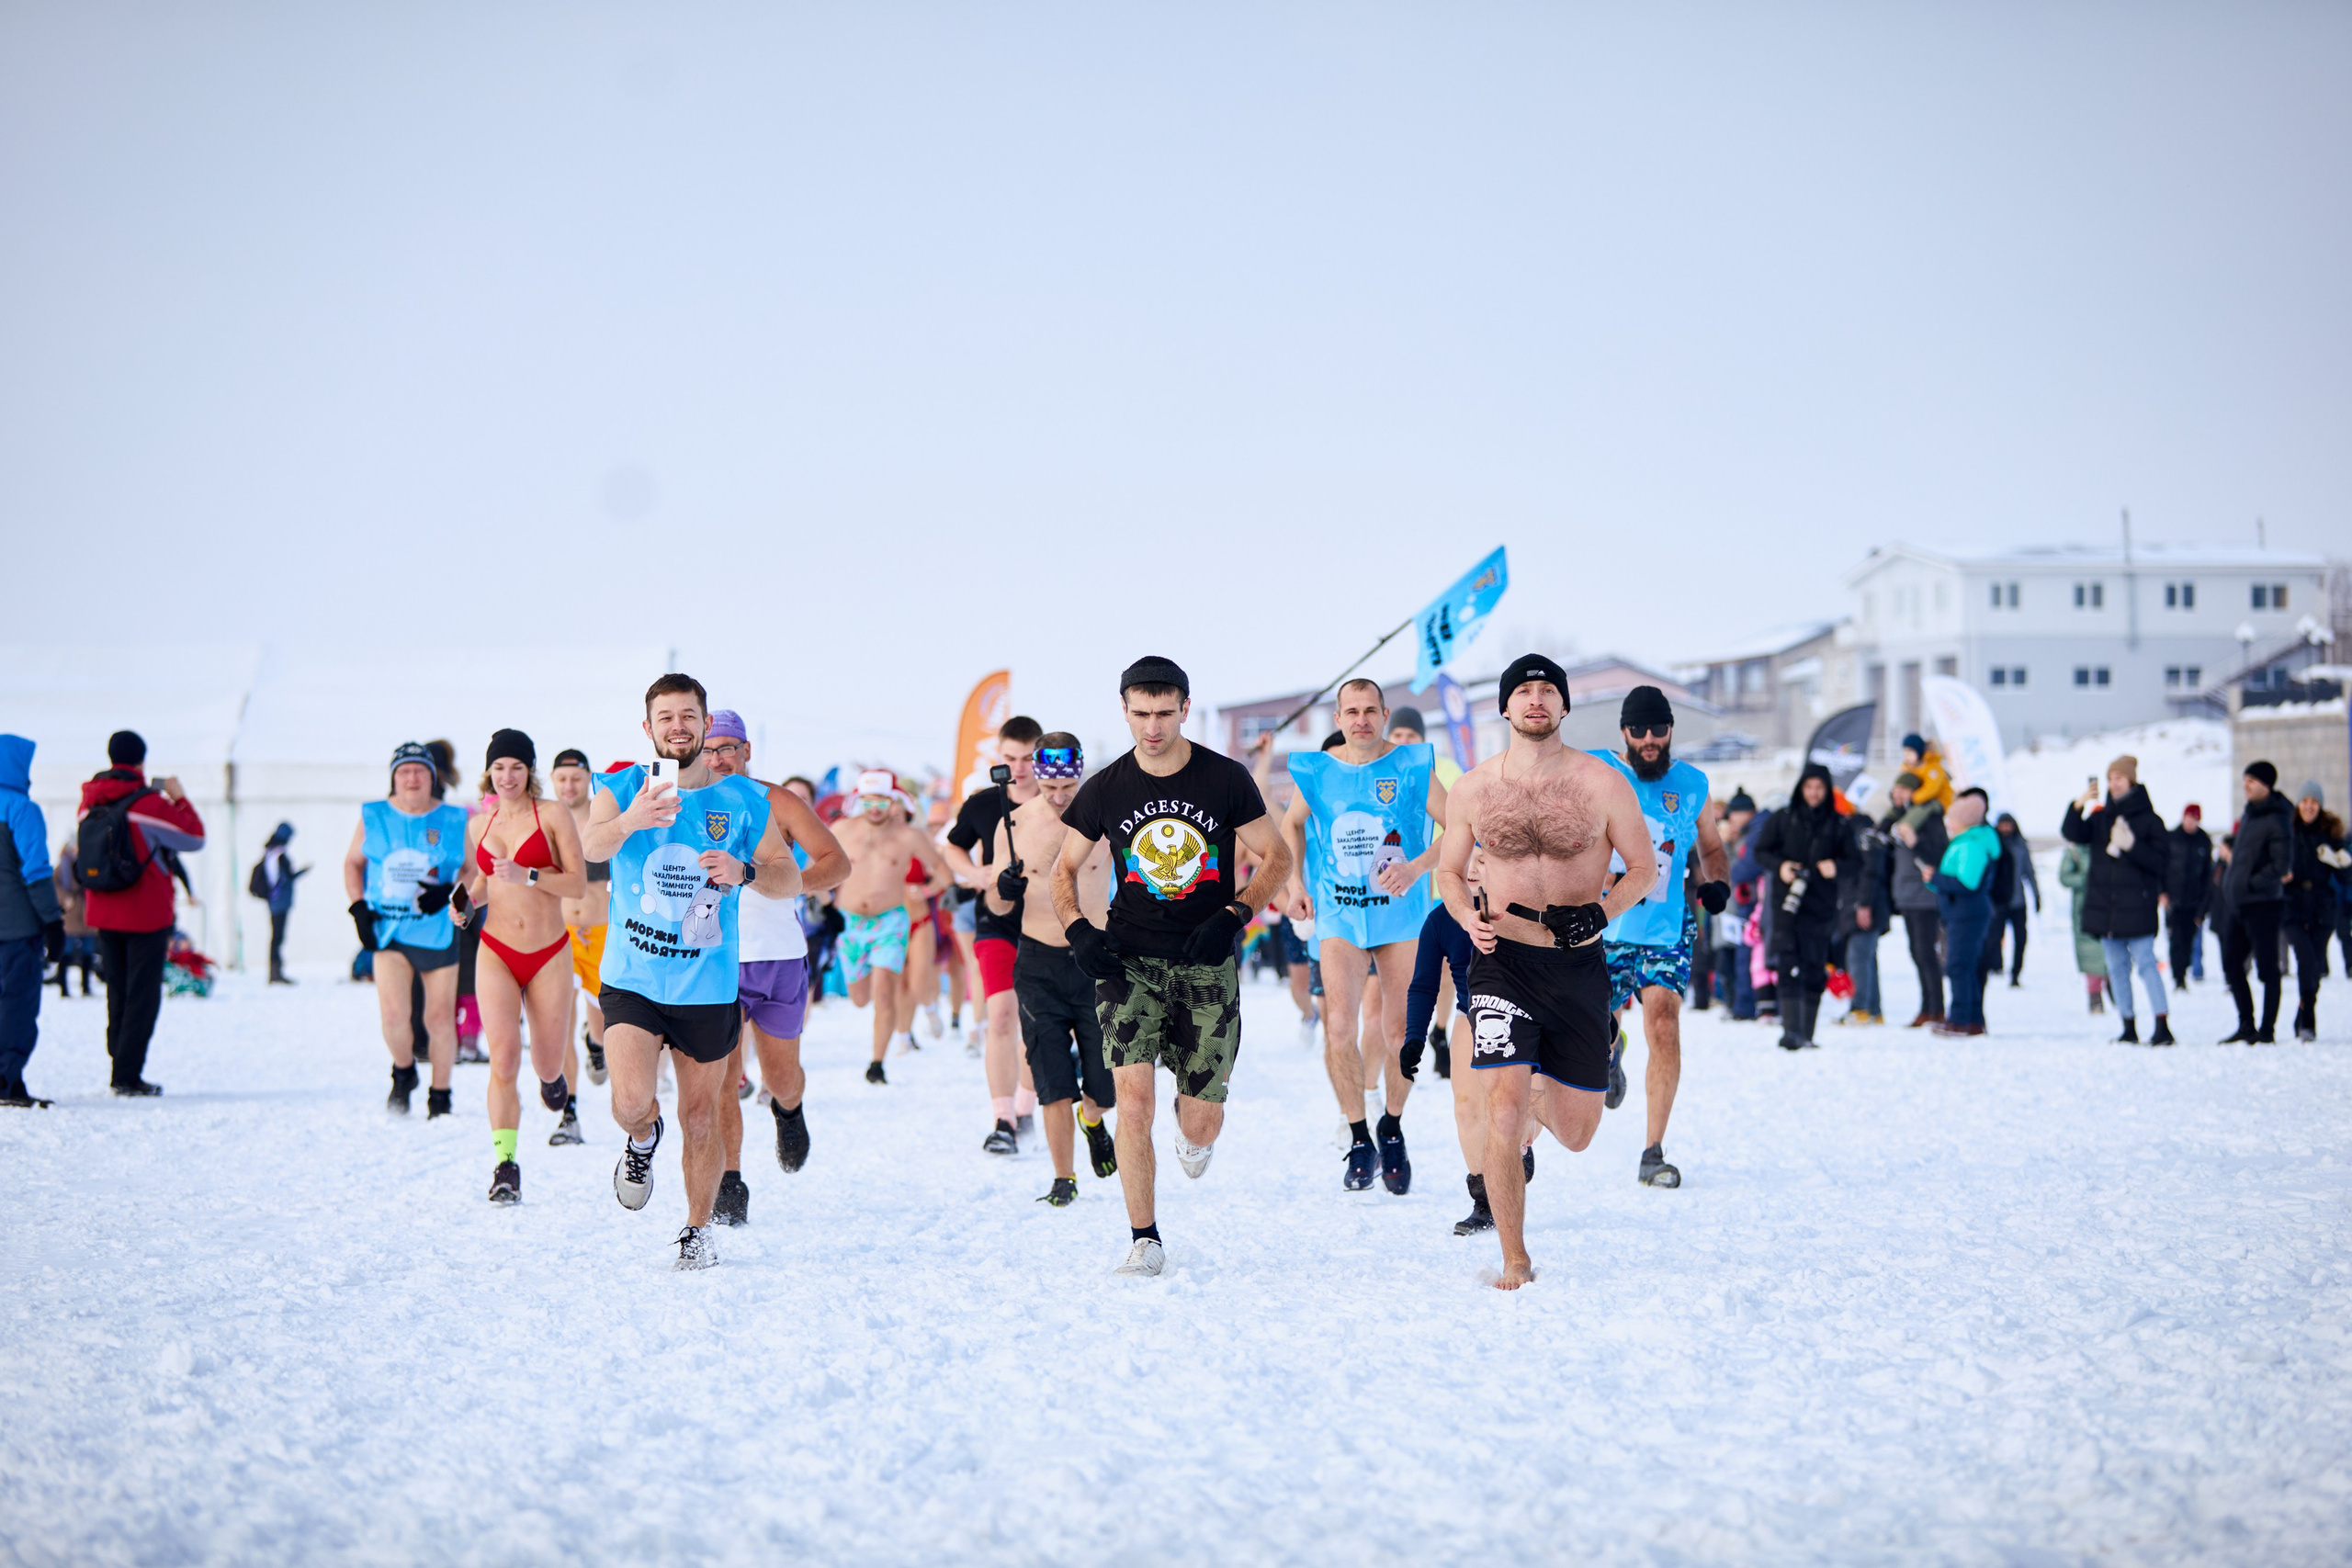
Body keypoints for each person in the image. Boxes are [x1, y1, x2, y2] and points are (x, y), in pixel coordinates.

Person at [1048, 656, 1290, 1279]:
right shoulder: (1107, 787)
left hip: (1206, 959)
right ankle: (1144, 1236)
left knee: (1201, 1116)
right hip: (1129, 960)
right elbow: (1062, 870)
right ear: (1124, 711)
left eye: (1163, 712)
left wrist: (1235, 915)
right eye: (1140, 713)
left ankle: (1196, 1131)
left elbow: (1277, 857)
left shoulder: (1226, 778)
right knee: (1133, 1098)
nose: (1152, 726)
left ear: (1184, 707)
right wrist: (1079, 930)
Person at [1432, 654, 1656, 1290]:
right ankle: (1515, 1257)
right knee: (1502, 1109)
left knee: (1580, 1132)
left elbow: (1642, 868)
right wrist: (1464, 913)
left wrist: (1602, 911)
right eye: (1523, 691)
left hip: (1576, 963)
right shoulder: (1474, 788)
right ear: (1505, 707)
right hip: (1502, 957)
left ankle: (1578, 1066)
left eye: (1547, 691)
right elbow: (1449, 871)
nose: (1535, 699)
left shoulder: (1601, 781)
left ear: (1563, 707)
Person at [581, 673, 796, 1269]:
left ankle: (696, 1228)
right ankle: (641, 1140)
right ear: (647, 728)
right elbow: (591, 846)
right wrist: (631, 821)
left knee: (700, 1116)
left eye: (688, 715)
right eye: (665, 716)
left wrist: (746, 870)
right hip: (634, 978)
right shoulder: (621, 784)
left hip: (707, 986)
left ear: (706, 724)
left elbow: (789, 875)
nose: (678, 725)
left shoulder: (745, 801)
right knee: (630, 1101)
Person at [1280, 678, 1448, 1195]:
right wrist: (1295, 887)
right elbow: (1288, 829)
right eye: (1351, 711)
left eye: (1370, 710)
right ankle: (1358, 1137)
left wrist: (1419, 866)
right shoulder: (1318, 772)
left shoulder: (1413, 766)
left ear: (1384, 712)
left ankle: (1392, 1126)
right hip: (1340, 919)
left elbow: (1462, 826)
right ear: (1337, 717)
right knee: (1338, 1029)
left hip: (1400, 919)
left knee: (1401, 1035)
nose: (1361, 720)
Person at [702, 714, 850, 1219]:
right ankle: (730, 1180)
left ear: (746, 751)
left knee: (780, 1076)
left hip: (779, 957)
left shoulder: (777, 802)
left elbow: (837, 862)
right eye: (707, 748)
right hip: (715, 960)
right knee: (723, 1076)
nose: (716, 758)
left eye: (726, 748)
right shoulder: (683, 803)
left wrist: (787, 882)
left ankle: (789, 1110)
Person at [1592, 685, 1726, 1187]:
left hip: (1667, 930)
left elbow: (1712, 847)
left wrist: (1718, 884)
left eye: (1659, 730)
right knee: (1593, 1024)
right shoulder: (1601, 773)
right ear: (1623, 732)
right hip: (1607, 927)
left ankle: (1653, 1151)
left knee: (1665, 1024)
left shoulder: (1692, 783)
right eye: (1639, 730)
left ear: (1671, 730)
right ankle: (1608, 1050)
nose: (1650, 740)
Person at [453, 730, 589, 1202]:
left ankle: (554, 1079)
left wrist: (529, 873)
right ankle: (505, 1165)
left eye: (515, 767)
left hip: (549, 951)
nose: (506, 776)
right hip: (497, 951)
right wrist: (466, 905)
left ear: (529, 771)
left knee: (545, 1062)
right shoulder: (480, 826)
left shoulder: (550, 814)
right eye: (498, 768)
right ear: (488, 773)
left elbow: (575, 884)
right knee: (503, 1058)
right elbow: (486, 883)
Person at [989, 733, 1120, 1205]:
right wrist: (1002, 886)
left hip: (1097, 962)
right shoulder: (1017, 824)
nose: (1061, 796)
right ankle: (1064, 1177)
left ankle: (1093, 1119)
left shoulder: (1107, 818)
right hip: (1039, 961)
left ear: (1081, 774)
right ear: (1036, 780)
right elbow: (995, 901)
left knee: (1105, 1085)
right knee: (1051, 1079)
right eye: (1051, 788)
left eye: (1069, 785)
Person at [76, 730, 208, 1097]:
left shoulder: (88, 802)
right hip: (146, 914)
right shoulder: (147, 804)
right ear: (140, 762)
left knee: (116, 990)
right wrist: (179, 799)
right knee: (143, 994)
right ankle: (127, 1074)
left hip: (103, 910)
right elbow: (194, 837)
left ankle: (119, 1060)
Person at [345, 741, 471, 1115]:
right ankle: (403, 1072)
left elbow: (472, 871)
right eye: (404, 771)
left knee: (438, 1016)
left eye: (420, 771)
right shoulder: (374, 815)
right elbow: (352, 863)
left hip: (436, 931)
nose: (412, 778)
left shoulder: (454, 818)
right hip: (389, 931)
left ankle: (441, 1093)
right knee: (394, 1016)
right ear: (394, 778)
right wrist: (358, 908)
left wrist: (452, 895)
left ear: (432, 777)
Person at [939, 716, 1044, 1153]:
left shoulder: (1063, 802)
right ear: (998, 758)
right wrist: (974, 874)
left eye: (1028, 758)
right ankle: (1001, 1119)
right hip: (995, 922)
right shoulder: (983, 803)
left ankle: (1025, 1106)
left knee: (1037, 1023)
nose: (1019, 768)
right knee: (1001, 1013)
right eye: (1010, 759)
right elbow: (952, 846)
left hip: (1048, 927)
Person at [829, 770, 946, 1082]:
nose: (876, 808)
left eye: (881, 800)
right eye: (869, 801)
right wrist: (819, 897)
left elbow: (943, 872)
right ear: (859, 800)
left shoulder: (909, 836)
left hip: (890, 921)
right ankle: (884, 1047)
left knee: (884, 992)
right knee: (860, 998)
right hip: (850, 922)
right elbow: (818, 865)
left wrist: (925, 891)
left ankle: (877, 1063)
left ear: (893, 800)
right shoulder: (841, 829)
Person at [2059, 756, 2171, 1044]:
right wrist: (2078, 804)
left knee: (2147, 965)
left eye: (2119, 777)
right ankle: (2128, 1025)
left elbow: (2160, 863)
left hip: (2138, 908)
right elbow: (2072, 833)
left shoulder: (2150, 821)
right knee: (2117, 969)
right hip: (2106, 910)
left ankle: (2162, 1024)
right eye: (2110, 778)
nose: (2114, 783)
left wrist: (2131, 846)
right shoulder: (2100, 818)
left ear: (2132, 780)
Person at [1755, 762, 1857, 1052]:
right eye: (1809, 787)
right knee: (1787, 966)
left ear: (1827, 791)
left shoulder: (1838, 824)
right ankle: (1791, 1033)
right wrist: (1781, 866)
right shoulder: (1783, 818)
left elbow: (1855, 863)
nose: (1814, 793)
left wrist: (1835, 867)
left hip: (1821, 906)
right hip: (1787, 905)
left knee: (1814, 967)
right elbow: (1761, 851)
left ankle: (1807, 1033)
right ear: (1801, 788)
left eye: (1819, 788)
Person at [1, 734, 64, 1108]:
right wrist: (53, 922)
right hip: (17, 929)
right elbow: (36, 872)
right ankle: (7, 1080)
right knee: (17, 1004)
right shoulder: (21, 809)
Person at [549, 750, 613, 1089]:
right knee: (559, 1017)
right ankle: (567, 1105)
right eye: (561, 779)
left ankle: (595, 1043)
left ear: (589, 778)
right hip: (559, 933)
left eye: (576, 778)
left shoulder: (602, 816)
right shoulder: (545, 819)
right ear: (552, 781)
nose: (569, 786)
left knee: (600, 1019)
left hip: (601, 931)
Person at [2220, 761, 2293, 1044]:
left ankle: (2267, 1029)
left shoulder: (2278, 817)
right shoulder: (2250, 814)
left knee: (2267, 968)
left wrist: (2251, 883)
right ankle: (2246, 1024)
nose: (2246, 785)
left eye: (2251, 780)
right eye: (2244, 780)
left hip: (2263, 904)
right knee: (2231, 964)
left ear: (2266, 784)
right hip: (2239, 904)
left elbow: (2281, 864)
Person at [1929, 789, 2000, 1037]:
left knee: (1959, 966)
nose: (1948, 822)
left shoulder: (1971, 845)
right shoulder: (1967, 842)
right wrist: (1935, 880)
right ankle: (1971, 1019)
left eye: (1952, 817)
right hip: (1962, 912)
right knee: (1965, 966)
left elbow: (1967, 883)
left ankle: (1961, 1020)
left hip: (1968, 913)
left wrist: (1936, 878)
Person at [2283, 782, 2349, 1042]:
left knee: (2316, 964)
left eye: (2314, 802)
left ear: (2320, 806)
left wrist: (2338, 862)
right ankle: (2308, 1016)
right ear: (2298, 804)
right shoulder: (2286, 832)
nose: (2309, 806)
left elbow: (2346, 877)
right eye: (2304, 801)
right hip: (2293, 904)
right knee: (2306, 959)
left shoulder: (2332, 835)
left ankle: (2304, 1008)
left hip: (2322, 905)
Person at [1884, 773, 1948, 1027]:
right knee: (1917, 952)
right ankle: (1928, 1007)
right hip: (1907, 895)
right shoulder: (1900, 818)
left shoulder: (1928, 819)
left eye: (1904, 789)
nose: (1898, 794)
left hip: (1925, 895)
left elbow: (1937, 854)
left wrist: (1915, 841)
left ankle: (1935, 1009)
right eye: (1896, 788)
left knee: (1925, 952)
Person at [1837, 805, 1890, 1026]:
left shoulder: (1860, 832)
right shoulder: (1863, 831)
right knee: (1866, 958)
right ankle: (1873, 1009)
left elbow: (1869, 872)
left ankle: (1861, 1008)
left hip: (1864, 905)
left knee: (1858, 957)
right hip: (1863, 904)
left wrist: (1863, 904)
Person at [1712, 791, 1758, 1019]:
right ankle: (1732, 1003)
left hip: (1739, 909)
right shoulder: (1723, 848)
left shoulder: (1745, 842)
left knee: (1740, 961)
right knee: (1726, 963)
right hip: (1724, 914)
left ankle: (1741, 1004)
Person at [2163, 804, 2213, 991]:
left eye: (2194, 818)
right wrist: (2162, 892)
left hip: (2195, 901)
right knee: (2175, 940)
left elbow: (2208, 875)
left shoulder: (2203, 840)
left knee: (2189, 939)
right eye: (2187, 817)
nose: (2190, 822)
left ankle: (2187, 969)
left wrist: (2204, 905)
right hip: (2174, 900)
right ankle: (2178, 977)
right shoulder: (2172, 838)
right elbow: (2162, 867)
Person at [2056, 840, 2109, 1012]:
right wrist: (2087, 878)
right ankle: (2095, 995)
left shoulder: (2113, 845)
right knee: (2090, 953)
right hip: (2084, 907)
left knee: (2112, 949)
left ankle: (2113, 984)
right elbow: (2064, 877)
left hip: (2110, 905)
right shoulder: (2075, 850)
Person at [1989, 813, 2040, 987]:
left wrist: (2036, 895)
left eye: (2008, 825)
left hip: (2017, 901)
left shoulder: (2020, 845)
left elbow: (2029, 872)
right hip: (1998, 900)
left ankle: (2016, 972)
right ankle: (1996, 966)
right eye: (2002, 825)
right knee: (1995, 935)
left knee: (2020, 938)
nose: (2005, 829)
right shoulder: (1994, 844)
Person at [252, 822, 305, 985]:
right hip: (279, 901)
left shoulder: (270, 853)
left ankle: (276, 971)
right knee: (277, 936)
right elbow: (277, 879)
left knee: (277, 936)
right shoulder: (278, 855)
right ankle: (275, 972)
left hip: (276, 901)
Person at [51, 840, 96, 999]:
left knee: (88, 952)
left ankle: (86, 986)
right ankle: (63, 986)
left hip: (86, 913)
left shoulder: (87, 864)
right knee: (66, 952)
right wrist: (65, 898)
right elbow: (55, 886)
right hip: (70, 914)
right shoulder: (61, 868)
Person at [1898, 733, 1954, 812]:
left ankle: (1907, 824)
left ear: (1918, 751)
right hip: (1919, 801)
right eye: (1906, 754)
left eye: (1910, 753)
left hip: (1940, 802)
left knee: (1920, 810)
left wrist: (1912, 798)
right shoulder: (1908, 768)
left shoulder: (1933, 768)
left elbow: (1931, 789)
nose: (1907, 756)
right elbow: (1902, 784)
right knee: (1897, 810)